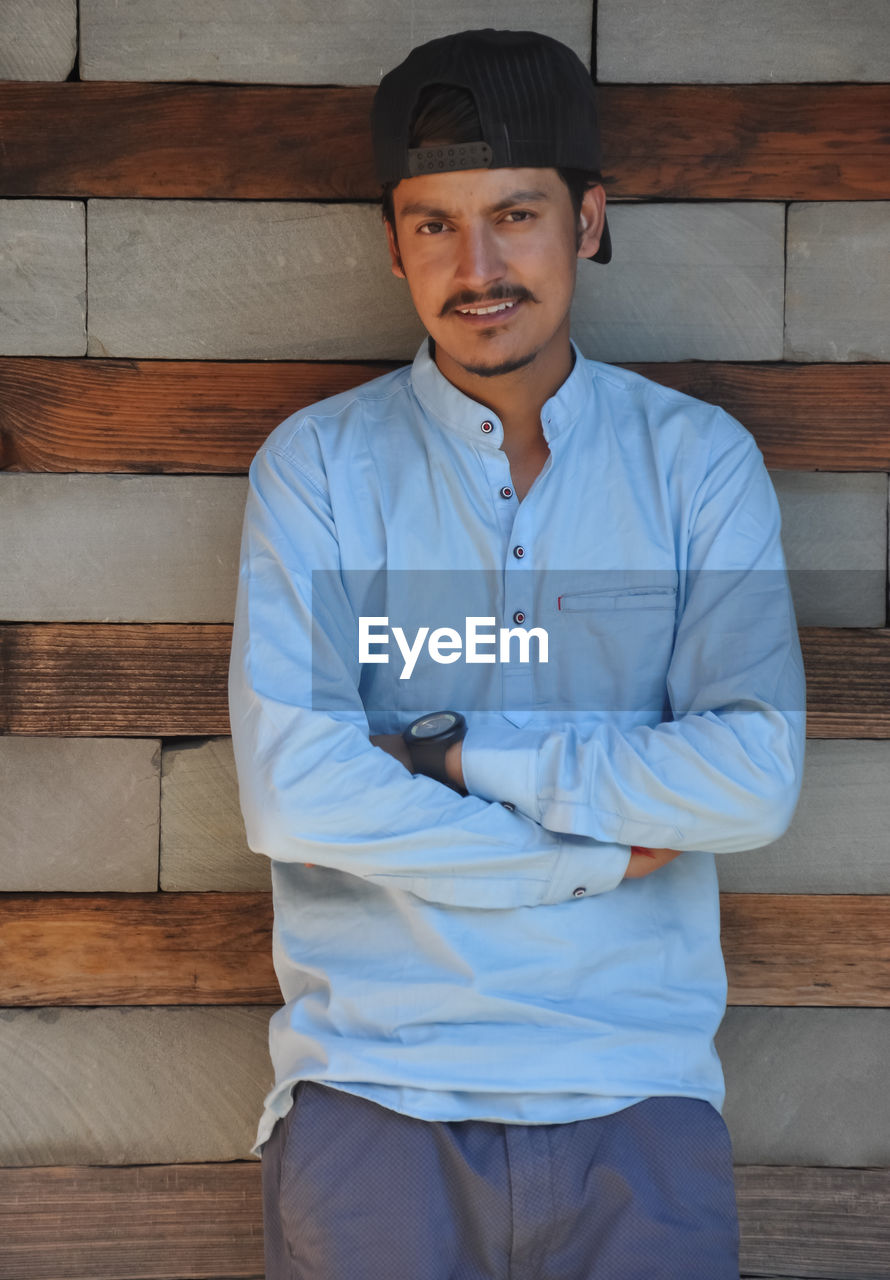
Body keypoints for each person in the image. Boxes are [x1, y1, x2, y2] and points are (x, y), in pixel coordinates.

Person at [228, 27, 806, 1279]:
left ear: (587, 220)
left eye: (514, 214)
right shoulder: (318, 468)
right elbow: (296, 786)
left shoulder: (693, 462)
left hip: (636, 1099)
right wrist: (585, 859)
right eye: (432, 224)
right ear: (391, 242)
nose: (475, 266)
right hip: (375, 1091)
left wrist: (457, 754)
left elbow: (750, 775)